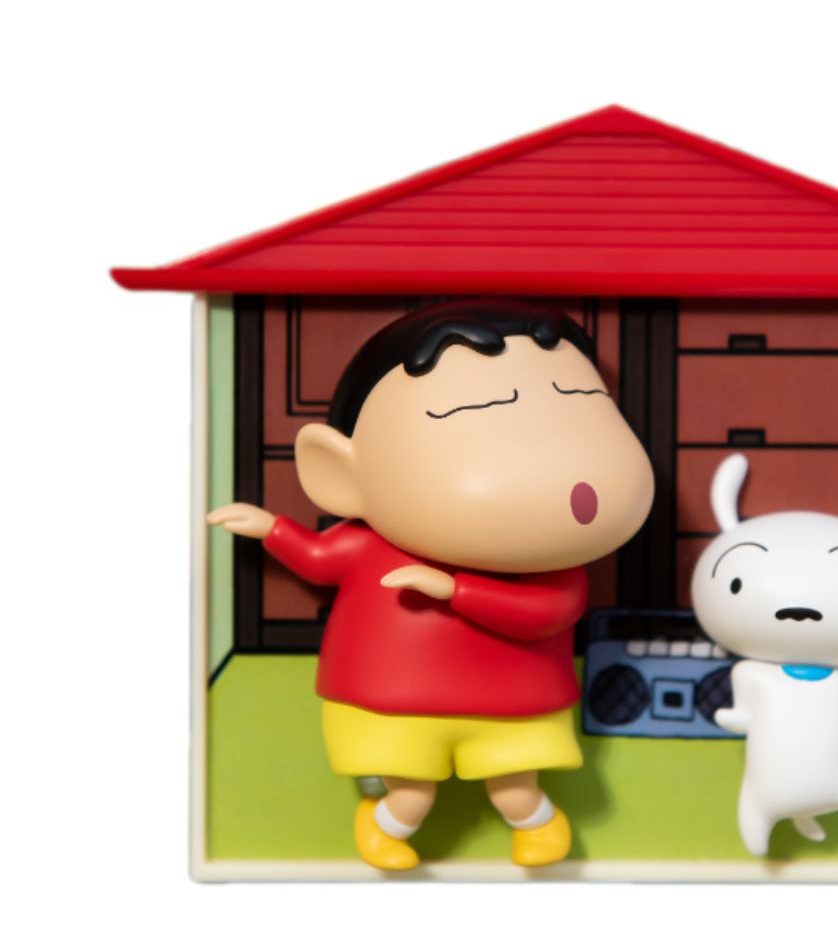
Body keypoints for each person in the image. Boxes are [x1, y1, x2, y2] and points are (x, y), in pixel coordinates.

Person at [208, 299, 654, 870]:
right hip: (394, 701)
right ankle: (385, 828)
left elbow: (547, 612)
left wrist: (457, 592)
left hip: (516, 703)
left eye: (582, 402)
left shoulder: (553, 570)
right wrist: (272, 529)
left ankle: (540, 826)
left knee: (516, 788)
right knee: (411, 793)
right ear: (341, 473)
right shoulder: (370, 546)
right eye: (478, 415)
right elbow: (318, 559)